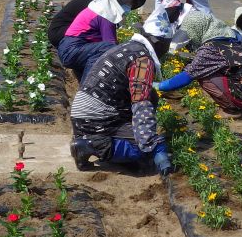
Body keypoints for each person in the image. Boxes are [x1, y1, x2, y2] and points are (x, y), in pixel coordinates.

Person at [69, 19, 176, 173]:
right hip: (96, 118)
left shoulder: (129, 48)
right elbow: (141, 103)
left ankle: (91, 140)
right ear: (158, 43)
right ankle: (90, 145)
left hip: (83, 114)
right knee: (144, 150)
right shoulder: (142, 61)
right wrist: (152, 144)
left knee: (151, 94)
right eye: (167, 44)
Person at [156, 10, 242, 117]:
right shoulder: (234, 36)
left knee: (203, 75)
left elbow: (187, 76)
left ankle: (232, 109)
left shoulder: (210, 48)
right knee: (211, 69)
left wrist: (158, 86)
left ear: (197, 30)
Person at [54, 0, 145, 81]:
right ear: (118, 0)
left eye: (130, 4)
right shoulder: (105, 14)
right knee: (109, 48)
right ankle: (90, 84)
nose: (129, 7)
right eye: (128, 3)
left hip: (72, 48)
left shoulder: (102, 8)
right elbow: (111, 48)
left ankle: (88, 84)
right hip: (71, 50)